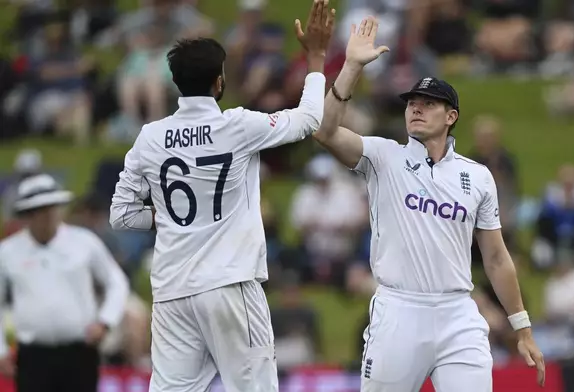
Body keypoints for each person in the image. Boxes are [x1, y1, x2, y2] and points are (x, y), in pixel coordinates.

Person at [108, 1, 335, 391]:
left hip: (173, 291)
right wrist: (315, 59)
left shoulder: (150, 137)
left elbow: (122, 216)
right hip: (230, 283)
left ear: (175, 82)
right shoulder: (238, 125)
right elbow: (310, 119)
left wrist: (164, 216)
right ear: (219, 81)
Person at [312, 17, 545, 392]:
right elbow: (325, 132)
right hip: (399, 311)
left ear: (451, 116)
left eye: (429, 104)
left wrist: (523, 329)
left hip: (459, 314)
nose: (416, 108)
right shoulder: (383, 156)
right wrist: (352, 67)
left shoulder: (478, 176)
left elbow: (497, 257)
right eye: (412, 103)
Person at [0, 173, 129, 392]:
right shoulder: (8, 252)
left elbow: (116, 281)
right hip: (33, 356)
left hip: (79, 350)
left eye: (52, 207)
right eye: (39, 210)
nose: (48, 215)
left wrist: (105, 321)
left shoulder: (83, 242)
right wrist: (1, 351)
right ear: (27, 215)